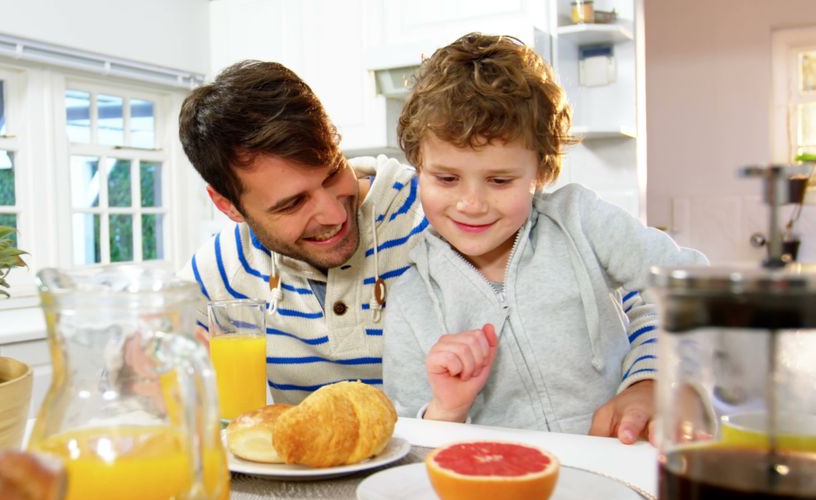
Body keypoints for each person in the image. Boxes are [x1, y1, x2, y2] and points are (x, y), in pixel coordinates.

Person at [381, 33, 707, 443]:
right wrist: (447, 407)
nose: (471, 203)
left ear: (541, 170)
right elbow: (408, 437)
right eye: (446, 178)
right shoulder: (412, 297)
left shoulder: (581, 221)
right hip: (501, 488)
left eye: (500, 180)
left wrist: (649, 380)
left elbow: (696, 290)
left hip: (616, 460)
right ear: (418, 167)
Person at [178, 60, 428, 404]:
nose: (334, 213)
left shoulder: (434, 217)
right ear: (228, 206)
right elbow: (134, 369)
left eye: (333, 174)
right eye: (293, 203)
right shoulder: (223, 268)